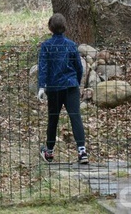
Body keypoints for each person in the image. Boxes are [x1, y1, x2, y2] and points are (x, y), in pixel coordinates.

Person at [37, 13, 89, 164]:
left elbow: (43, 68)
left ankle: (49, 151)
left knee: (53, 118)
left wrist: (42, 86)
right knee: (75, 117)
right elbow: (79, 67)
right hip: (71, 86)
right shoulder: (71, 45)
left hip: (54, 88)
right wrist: (77, 83)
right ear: (65, 27)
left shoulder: (46, 46)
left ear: (50, 27)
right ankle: (82, 151)